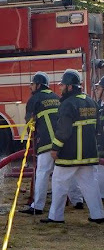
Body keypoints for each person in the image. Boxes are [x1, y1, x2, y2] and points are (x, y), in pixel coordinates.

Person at [41, 69, 104, 224]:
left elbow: (63, 131)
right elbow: (98, 129)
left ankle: (55, 217)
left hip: (69, 155)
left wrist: (55, 148)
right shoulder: (91, 102)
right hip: (89, 154)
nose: (60, 88)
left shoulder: (67, 104)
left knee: (59, 184)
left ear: (70, 87)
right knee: (91, 186)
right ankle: (98, 215)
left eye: (62, 85)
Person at [20, 72, 83, 214]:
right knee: (67, 170)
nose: (30, 87)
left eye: (32, 84)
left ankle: (38, 206)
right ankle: (77, 199)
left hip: (47, 143)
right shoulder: (56, 97)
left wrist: (29, 143)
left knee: (42, 172)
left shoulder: (34, 99)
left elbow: (30, 123)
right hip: (63, 141)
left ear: (38, 85)